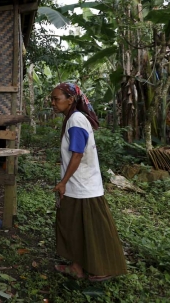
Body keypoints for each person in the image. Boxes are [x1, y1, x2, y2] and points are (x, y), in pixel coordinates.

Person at [51, 82, 127, 282]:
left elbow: (78, 154)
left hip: (83, 186)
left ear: (70, 100)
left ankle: (103, 268)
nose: (52, 103)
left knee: (93, 230)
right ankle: (77, 267)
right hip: (79, 185)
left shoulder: (76, 120)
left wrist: (63, 182)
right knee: (73, 225)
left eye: (56, 99)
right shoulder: (73, 119)